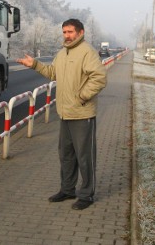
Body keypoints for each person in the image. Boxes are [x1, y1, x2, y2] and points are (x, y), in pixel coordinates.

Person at [16, 19, 107, 210]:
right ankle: (67, 190)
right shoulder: (62, 53)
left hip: (82, 114)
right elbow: (53, 73)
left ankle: (87, 195)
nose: (67, 35)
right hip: (65, 114)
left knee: (85, 157)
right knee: (66, 155)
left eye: (70, 32)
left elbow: (99, 78)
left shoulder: (87, 52)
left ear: (80, 33)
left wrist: (81, 97)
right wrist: (35, 64)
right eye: (64, 32)